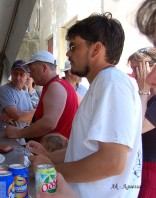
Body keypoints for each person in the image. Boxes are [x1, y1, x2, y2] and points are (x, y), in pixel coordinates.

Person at [27, 13, 142, 198]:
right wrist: (47, 157)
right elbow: (82, 150)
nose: (68, 53)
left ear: (96, 49)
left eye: (74, 46)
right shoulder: (103, 83)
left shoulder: (112, 83)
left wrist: (50, 169)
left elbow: (111, 162)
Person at [5, 51, 78, 141]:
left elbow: (48, 123)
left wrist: (18, 133)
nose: (30, 75)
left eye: (32, 69)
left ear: (44, 68)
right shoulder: (60, 85)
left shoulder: (54, 86)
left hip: (52, 151)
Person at [128, 47, 156, 198]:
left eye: (137, 69)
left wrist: (144, 92)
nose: (133, 74)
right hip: (141, 166)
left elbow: (136, 129)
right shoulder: (149, 98)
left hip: (152, 171)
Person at [0, 60, 35, 128]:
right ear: (11, 73)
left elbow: (34, 118)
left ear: (27, 75)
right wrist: (19, 116)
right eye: (15, 73)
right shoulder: (4, 90)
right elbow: (17, 116)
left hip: (23, 135)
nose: (18, 78)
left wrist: (13, 116)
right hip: (8, 136)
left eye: (21, 74)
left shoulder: (26, 94)